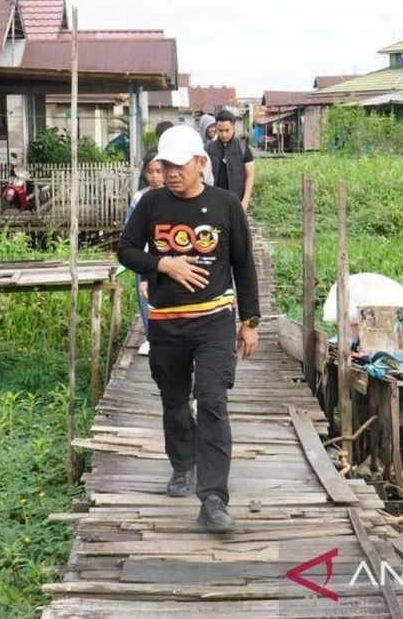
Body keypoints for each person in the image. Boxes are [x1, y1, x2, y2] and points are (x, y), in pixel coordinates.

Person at [118, 125, 261, 532]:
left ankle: (214, 497)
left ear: (201, 162)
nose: (171, 172)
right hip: (166, 322)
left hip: (214, 321)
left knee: (213, 401)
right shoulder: (150, 205)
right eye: (165, 165)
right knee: (175, 401)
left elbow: (243, 265)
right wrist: (163, 263)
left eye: (179, 165)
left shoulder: (226, 205)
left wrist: (249, 321)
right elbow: (125, 250)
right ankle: (183, 465)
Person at [125, 152, 165, 355]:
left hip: (168, 256)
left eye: (159, 171)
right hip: (145, 255)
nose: (155, 176)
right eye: (150, 171)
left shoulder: (173, 197)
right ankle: (151, 337)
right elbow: (130, 229)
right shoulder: (139, 197)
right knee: (144, 296)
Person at [205, 109, 256, 213]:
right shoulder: (209, 148)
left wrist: (245, 202)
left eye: (227, 130)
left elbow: (250, 175)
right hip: (214, 201)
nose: (224, 134)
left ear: (233, 127)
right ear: (216, 129)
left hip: (236, 201)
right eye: (220, 131)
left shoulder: (243, 148)